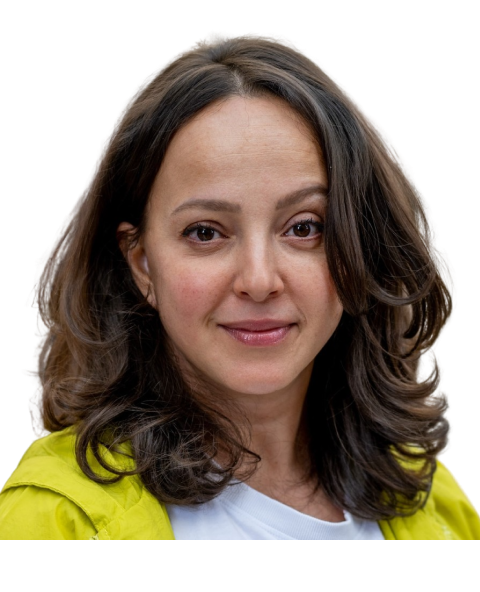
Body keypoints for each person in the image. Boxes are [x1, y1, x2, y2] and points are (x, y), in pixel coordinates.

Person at [1, 31, 478, 540]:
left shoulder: (435, 505)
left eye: (304, 227)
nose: (259, 280)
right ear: (142, 264)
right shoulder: (56, 517)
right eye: (205, 233)